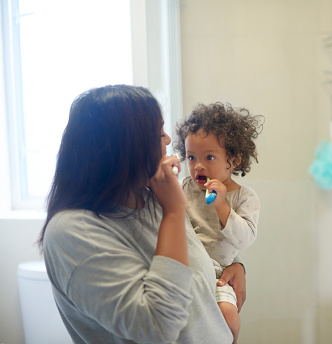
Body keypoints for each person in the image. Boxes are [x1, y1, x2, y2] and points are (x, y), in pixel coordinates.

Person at [38, 85, 246, 344]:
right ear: (125, 148)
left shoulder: (153, 197)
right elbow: (157, 328)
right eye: (159, 132)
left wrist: (234, 264)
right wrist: (173, 211)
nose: (169, 139)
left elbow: (192, 265)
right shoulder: (70, 233)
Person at [173, 102, 263, 344]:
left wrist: (222, 205)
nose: (198, 166)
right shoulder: (185, 188)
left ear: (233, 160)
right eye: (191, 157)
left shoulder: (244, 197)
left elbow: (245, 239)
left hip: (221, 274)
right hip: (190, 273)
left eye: (209, 157)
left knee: (228, 314)